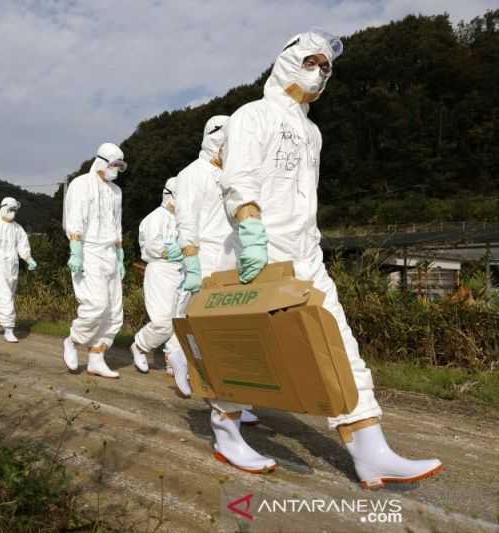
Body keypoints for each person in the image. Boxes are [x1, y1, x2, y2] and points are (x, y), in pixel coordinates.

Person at [214, 30, 442, 487]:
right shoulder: (251, 115)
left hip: (305, 253)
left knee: (337, 342)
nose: (320, 72)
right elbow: (237, 177)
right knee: (247, 352)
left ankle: (369, 447)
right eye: (312, 61)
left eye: (327, 67)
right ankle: (225, 430)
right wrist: (251, 229)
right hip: (258, 250)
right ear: (287, 61)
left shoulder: (313, 132)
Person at [171, 116, 261, 420]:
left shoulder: (235, 175)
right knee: (208, 337)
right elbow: (186, 221)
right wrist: (191, 262)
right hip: (207, 260)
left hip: (233, 261)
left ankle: (235, 401)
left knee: (234, 337)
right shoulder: (191, 174)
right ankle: (186, 365)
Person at [62, 143, 127, 378]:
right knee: (96, 305)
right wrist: (76, 250)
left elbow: (117, 223)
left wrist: (120, 255)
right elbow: (75, 218)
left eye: (120, 166)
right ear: (101, 161)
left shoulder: (116, 192)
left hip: (110, 251)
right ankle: (72, 340)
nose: (116, 169)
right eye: (113, 164)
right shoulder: (81, 184)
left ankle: (96, 358)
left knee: (113, 311)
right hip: (88, 251)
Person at [130, 178, 190, 376]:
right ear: (169, 195)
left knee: (179, 318)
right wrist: (173, 250)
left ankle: (173, 359)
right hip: (160, 271)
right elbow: (151, 247)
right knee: (163, 321)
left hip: (182, 271)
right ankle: (140, 346)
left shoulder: (184, 218)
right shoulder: (154, 218)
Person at [0, 198, 35, 343]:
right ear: (3, 208)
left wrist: (29, 259)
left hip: (13, 267)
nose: (13, 213)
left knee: (5, 298)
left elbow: (23, 245)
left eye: (15, 210)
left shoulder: (18, 228)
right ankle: (9, 329)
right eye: (11, 209)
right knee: (6, 298)